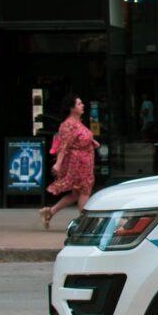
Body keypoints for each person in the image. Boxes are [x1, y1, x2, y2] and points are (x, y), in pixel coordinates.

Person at [40, 94, 100, 229]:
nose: (82, 105)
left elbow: (80, 139)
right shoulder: (68, 125)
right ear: (71, 108)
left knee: (76, 194)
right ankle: (85, 223)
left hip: (84, 163)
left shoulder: (78, 122)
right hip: (77, 164)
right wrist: (58, 163)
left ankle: (49, 212)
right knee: (84, 190)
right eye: (79, 104)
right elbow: (64, 145)